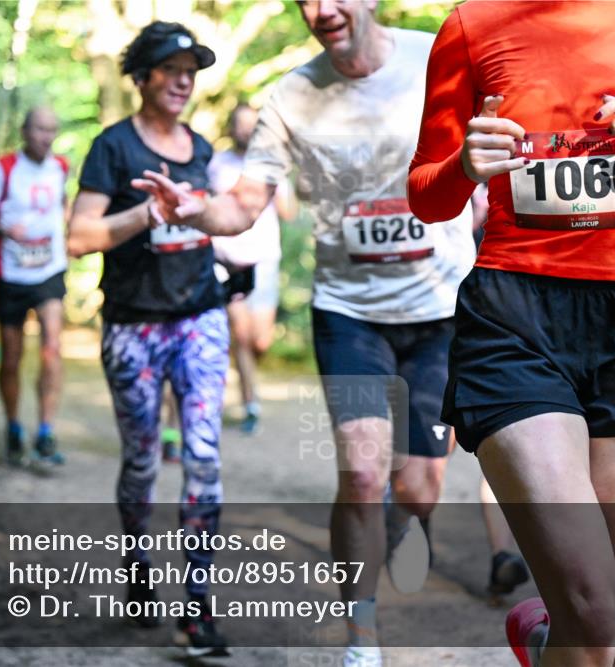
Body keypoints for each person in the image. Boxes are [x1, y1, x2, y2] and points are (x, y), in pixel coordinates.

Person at [134, 3, 525, 665]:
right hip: (349, 310)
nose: (322, 10)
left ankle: (403, 524)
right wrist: (198, 210)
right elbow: (245, 204)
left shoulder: (438, 55)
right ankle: (361, 633)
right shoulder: (289, 96)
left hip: (440, 306)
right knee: (364, 469)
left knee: (420, 485)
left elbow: (506, 131)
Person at [407, 1, 615, 666]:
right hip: (515, 317)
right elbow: (426, 194)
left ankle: (545, 642)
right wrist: (466, 163)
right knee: (589, 607)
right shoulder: (474, 23)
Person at [66, 22, 229, 657]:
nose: (185, 78)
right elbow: (78, 239)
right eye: (170, 67)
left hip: (199, 320)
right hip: (132, 326)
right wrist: (148, 213)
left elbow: (214, 223)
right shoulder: (112, 147)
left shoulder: (204, 151)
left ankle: (197, 609)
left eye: (192, 67)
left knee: (204, 456)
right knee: (140, 462)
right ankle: (138, 564)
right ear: (142, 77)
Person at [0, 107, 69, 467]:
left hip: (51, 271)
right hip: (11, 274)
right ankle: (12, 426)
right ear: (25, 131)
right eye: (40, 129)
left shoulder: (62, 168)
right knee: (11, 357)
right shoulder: (1, 169)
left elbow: (63, 206)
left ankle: (45, 431)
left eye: (52, 130)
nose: (46, 137)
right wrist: (2, 230)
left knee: (52, 347)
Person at [208, 103, 297, 435]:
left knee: (260, 340)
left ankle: (246, 379)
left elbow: (289, 213)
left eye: (251, 125)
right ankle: (250, 404)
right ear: (229, 128)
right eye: (239, 124)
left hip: (263, 260)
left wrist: (282, 179)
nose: (245, 131)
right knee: (241, 334)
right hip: (226, 259)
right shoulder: (215, 164)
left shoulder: (271, 164)